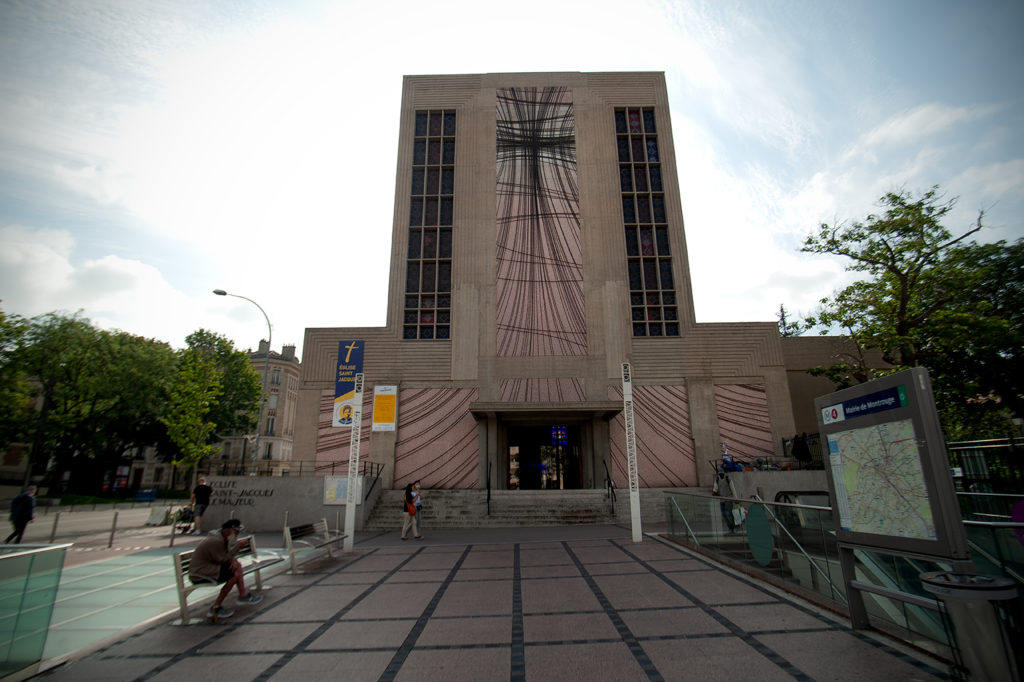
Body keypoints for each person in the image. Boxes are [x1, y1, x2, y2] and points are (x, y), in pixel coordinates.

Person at [188, 518, 262, 621]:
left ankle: (243, 595)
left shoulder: (222, 537)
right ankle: (216, 607)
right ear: (229, 530)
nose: (237, 535)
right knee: (234, 575)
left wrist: (234, 561)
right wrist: (237, 548)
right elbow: (222, 559)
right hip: (201, 573)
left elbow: (225, 557)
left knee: (237, 567)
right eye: (236, 532)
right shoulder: (216, 541)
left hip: (210, 569)